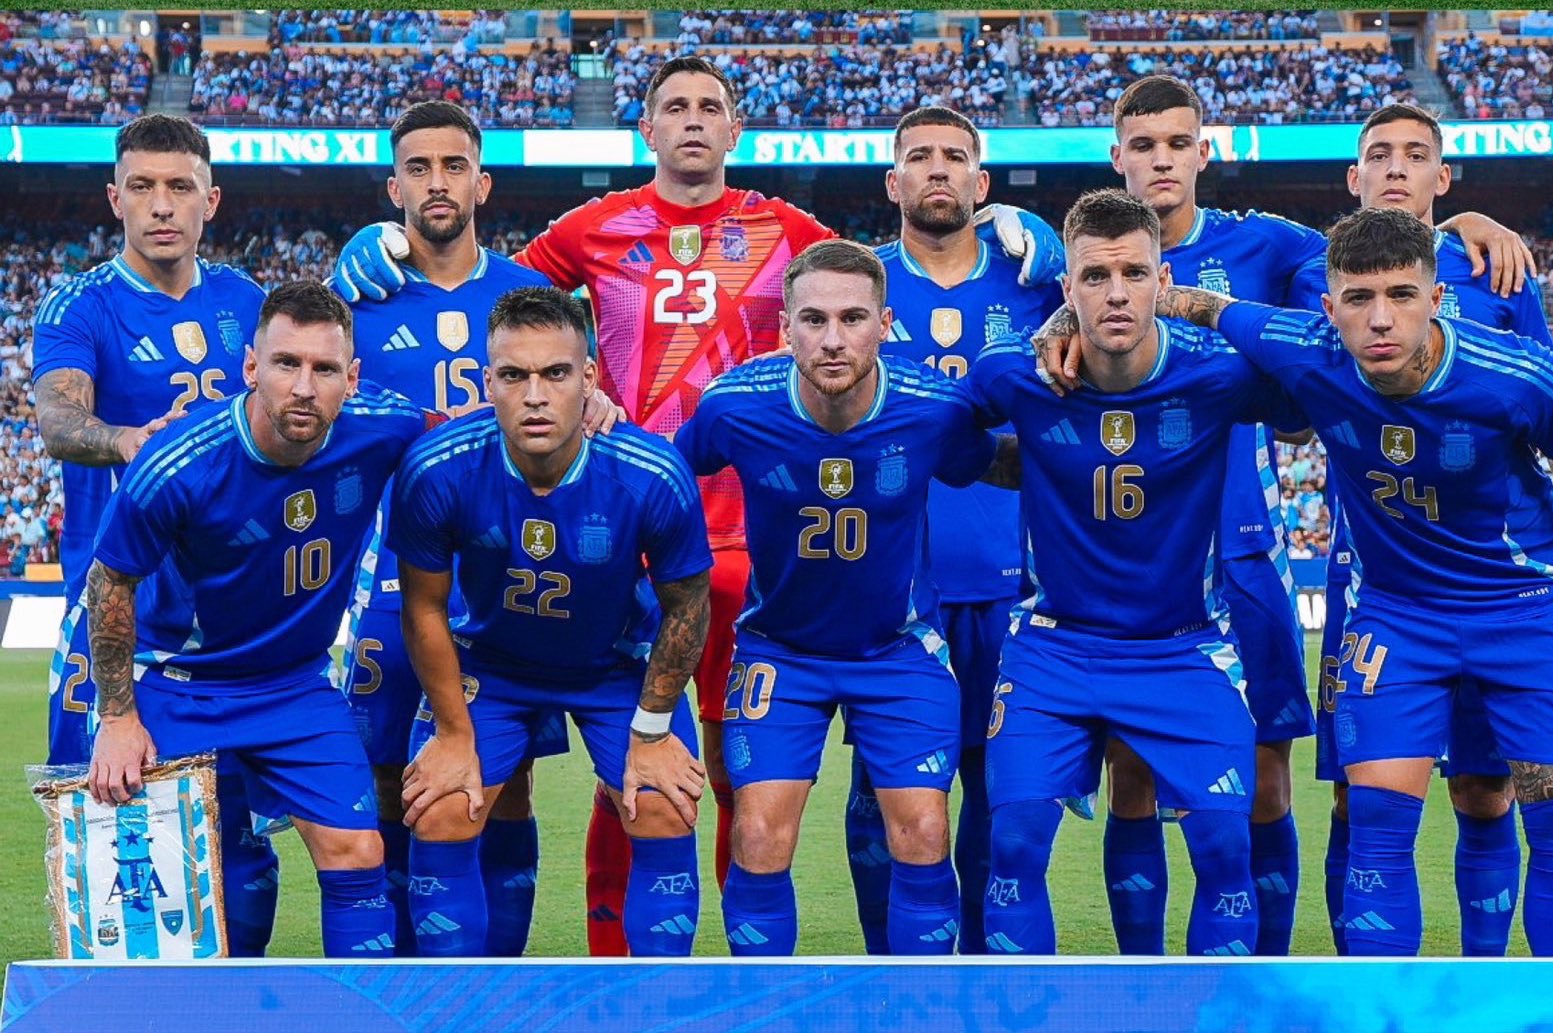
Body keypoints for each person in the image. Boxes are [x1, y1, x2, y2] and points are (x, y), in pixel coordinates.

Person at [330, 60, 1065, 954]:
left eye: (709, 107)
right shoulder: (592, 228)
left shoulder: (786, 228)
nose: (691, 122)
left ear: (735, 129)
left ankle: (721, 964)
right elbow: (491, 294)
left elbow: (882, 275)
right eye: (673, 107)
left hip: (760, 545)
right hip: (632, 540)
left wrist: (997, 226)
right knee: (634, 772)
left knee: (726, 773)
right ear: (646, 127)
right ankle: (619, 954)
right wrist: (384, 245)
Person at [1033, 75, 1534, 956]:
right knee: (1132, 775)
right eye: (1141, 145)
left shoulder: (1267, 245)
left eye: (1176, 143)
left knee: (1269, 780)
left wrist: (1460, 228)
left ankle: (1263, 977)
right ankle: (1145, 983)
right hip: (1129, 562)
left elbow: (1379, 259)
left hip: (1245, 547)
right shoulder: (1094, 257)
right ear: (1117, 157)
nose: (1160, 160)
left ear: (1203, 152)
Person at [1160, 205, 1553, 957]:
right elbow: (1200, 303)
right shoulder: (1303, 346)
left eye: (1402, 295)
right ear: (1328, 305)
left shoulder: (1515, 375)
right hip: (1399, 616)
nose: (1380, 318)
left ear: (1437, 298)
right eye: (1359, 299)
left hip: (1526, 607)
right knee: (1374, 824)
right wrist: (1061, 329)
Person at [971, 189, 1306, 957]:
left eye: (1133, 274)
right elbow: (950, 439)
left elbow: (1313, 375)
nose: (1115, 293)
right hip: (1053, 646)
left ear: (1163, 280)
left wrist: (1210, 308)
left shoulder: (1218, 376)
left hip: (1181, 646)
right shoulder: (1015, 376)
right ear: (1067, 290)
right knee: (1014, 839)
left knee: (1226, 843)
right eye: (1094, 276)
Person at [674, 239, 1014, 955]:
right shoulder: (736, 406)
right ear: (785, 328)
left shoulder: (933, 408)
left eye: (853, 318)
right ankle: (767, 1004)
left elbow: (1003, 465)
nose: (833, 339)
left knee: (923, 828)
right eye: (815, 319)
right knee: (760, 832)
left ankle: (922, 1004)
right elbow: (666, 474)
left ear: (885, 323)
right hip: (781, 649)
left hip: (899, 649)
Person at [336, 100, 614, 958]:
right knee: (390, 778)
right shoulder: (358, 300)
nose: (437, 182)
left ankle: (497, 980)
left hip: (503, 580)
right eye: (417, 168)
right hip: (389, 577)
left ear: (482, 183)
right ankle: (405, 977)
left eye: (453, 165)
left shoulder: (529, 299)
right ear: (394, 187)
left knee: (506, 781)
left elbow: (587, 416)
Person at [84, 282, 433, 958]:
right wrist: (119, 715)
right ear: (251, 367)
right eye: (286, 363)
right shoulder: (179, 463)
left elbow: (472, 434)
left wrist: (590, 410)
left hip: (294, 685)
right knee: (169, 891)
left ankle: (360, 1016)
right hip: (181, 683)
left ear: (351, 379)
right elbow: (110, 581)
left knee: (359, 850)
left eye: (324, 368)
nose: (304, 386)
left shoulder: (383, 425)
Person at [1291, 102, 1553, 957]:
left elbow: (1552, 418)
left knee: (1486, 788)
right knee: (1357, 795)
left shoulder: (1500, 273)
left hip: (1493, 578)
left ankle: (1482, 977)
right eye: (1379, 155)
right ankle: (1361, 989)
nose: (1396, 167)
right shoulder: (1315, 275)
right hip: (1371, 581)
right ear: (1353, 179)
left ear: (1444, 179)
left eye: (1416, 156)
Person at [391, 286, 713, 957]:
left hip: (614, 665)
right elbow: (422, 604)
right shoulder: (437, 468)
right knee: (445, 805)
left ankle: (657, 1003)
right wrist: (453, 732)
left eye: (556, 373)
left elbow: (688, 605)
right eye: (514, 375)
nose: (535, 394)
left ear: (589, 378)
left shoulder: (651, 472)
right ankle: (465, 1005)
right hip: (493, 666)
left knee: (661, 799)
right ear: (488, 382)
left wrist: (652, 730)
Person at [31, 112, 279, 957]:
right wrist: (131, 441)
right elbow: (58, 416)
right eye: (142, 187)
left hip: (231, 610)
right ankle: (123, 1001)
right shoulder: (82, 303)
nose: (160, 205)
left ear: (212, 199)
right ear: (115, 199)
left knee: (240, 829)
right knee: (109, 826)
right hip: (118, 607)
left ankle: (235, 1000)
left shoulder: (248, 303)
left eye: (179, 187)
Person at [851, 105, 1064, 955]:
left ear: (982, 184)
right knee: (884, 794)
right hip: (891, 588)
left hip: (1007, 578)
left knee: (999, 793)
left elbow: (1129, 259)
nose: (936, 170)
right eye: (918, 157)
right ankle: (890, 971)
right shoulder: (855, 289)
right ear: (892, 181)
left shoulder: (1036, 282)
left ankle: (987, 971)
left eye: (955, 158)